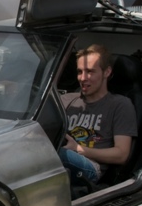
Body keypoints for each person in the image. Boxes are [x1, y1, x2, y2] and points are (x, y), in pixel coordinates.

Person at [58, 44, 137, 187]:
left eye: (90, 72)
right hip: (61, 156)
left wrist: (78, 149)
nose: (83, 78)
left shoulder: (120, 105)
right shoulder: (67, 100)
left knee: (57, 155)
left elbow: (121, 154)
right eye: (80, 72)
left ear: (107, 72)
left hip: (91, 166)